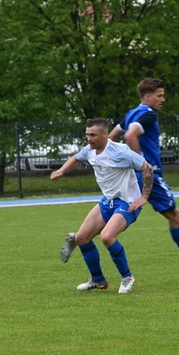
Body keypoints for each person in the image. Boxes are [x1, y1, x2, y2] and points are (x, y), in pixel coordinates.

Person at [64, 77, 179, 273]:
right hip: (148, 174)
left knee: (116, 211)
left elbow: (112, 136)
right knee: (175, 215)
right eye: (160, 96)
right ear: (147, 96)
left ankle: (82, 236)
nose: (162, 100)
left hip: (129, 177)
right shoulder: (148, 115)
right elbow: (131, 135)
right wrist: (137, 160)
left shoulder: (131, 113)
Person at [51, 118, 153, 294]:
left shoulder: (120, 151)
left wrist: (144, 197)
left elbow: (147, 168)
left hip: (128, 202)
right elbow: (76, 158)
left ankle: (127, 277)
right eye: (87, 135)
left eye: (93, 135)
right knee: (82, 237)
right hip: (108, 201)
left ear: (105, 134)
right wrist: (61, 170)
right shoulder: (90, 151)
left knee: (107, 237)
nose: (89, 139)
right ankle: (98, 279)